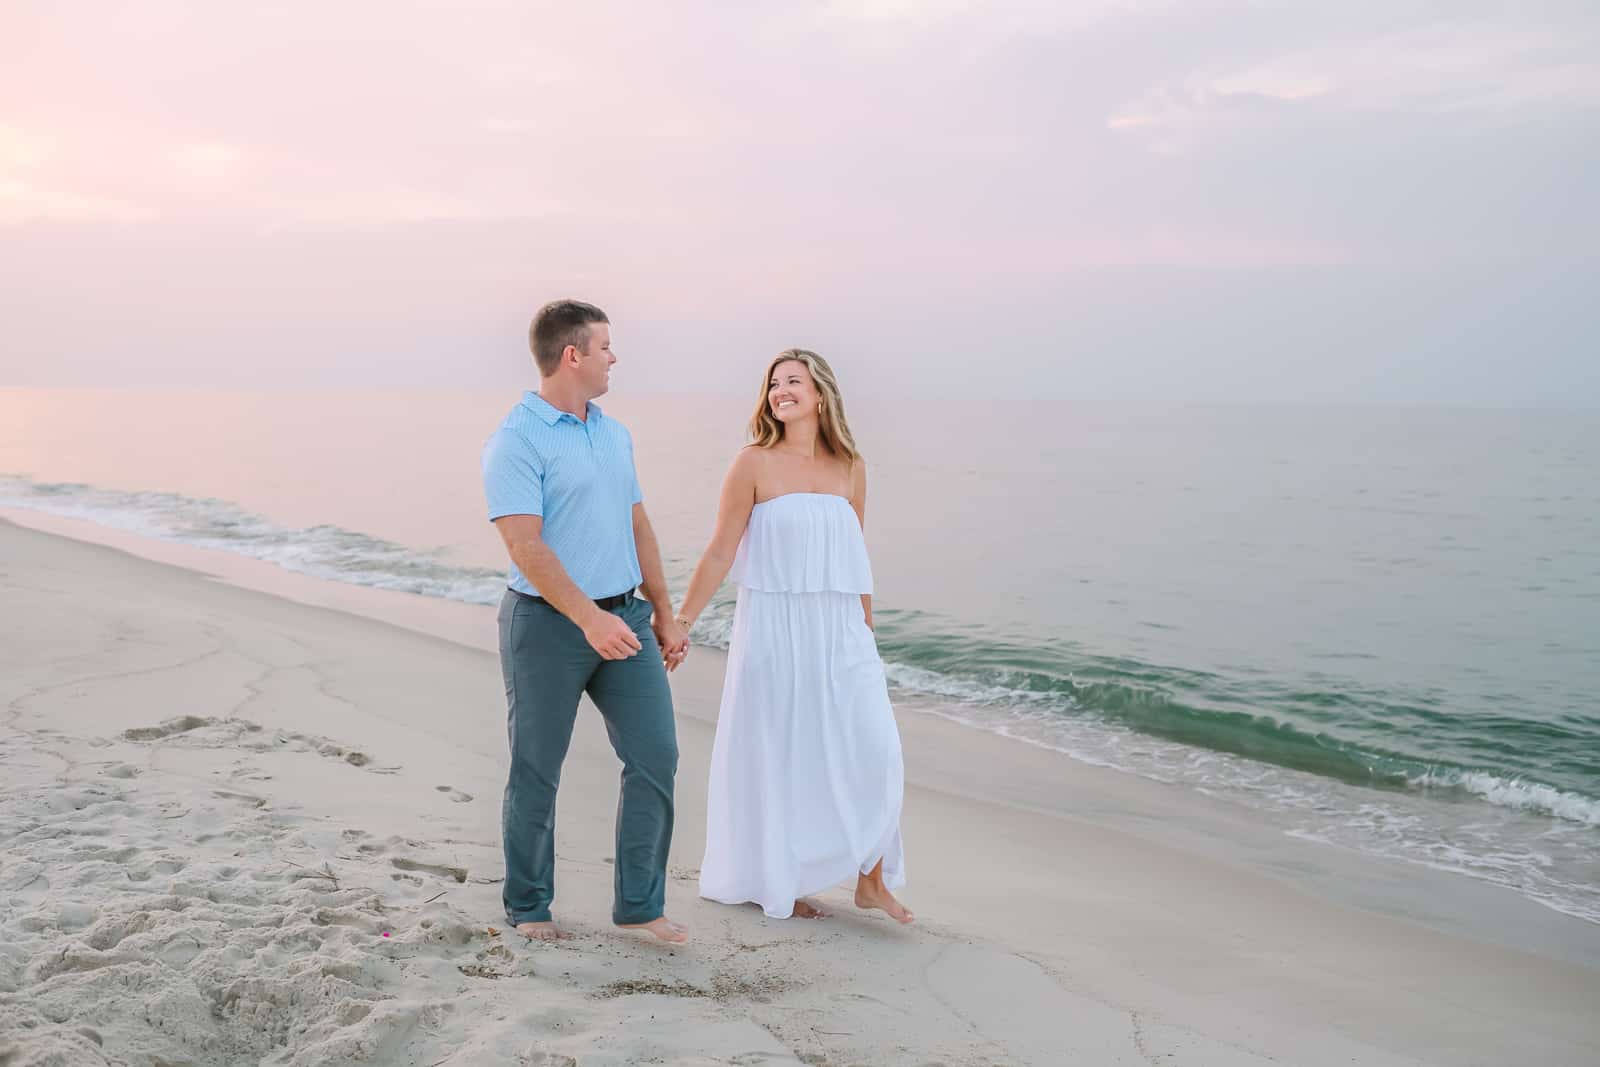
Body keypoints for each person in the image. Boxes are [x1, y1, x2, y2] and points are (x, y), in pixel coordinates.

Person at [675, 348, 913, 923]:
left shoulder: (851, 466)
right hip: (776, 632)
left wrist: (867, 635)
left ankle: (871, 878)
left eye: (793, 382)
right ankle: (778, 877)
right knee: (782, 754)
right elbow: (719, 551)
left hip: (841, 634)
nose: (781, 391)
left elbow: (856, 559)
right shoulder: (753, 463)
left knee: (874, 749)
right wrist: (683, 621)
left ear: (821, 394)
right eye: (774, 383)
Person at [481, 299, 690, 944]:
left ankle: (640, 906)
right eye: (605, 347)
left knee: (656, 757)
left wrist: (664, 611)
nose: (613, 358)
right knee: (538, 768)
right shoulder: (515, 439)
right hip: (546, 627)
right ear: (572, 355)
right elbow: (525, 546)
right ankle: (529, 905)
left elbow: (638, 525)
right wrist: (587, 621)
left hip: (625, 617)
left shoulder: (613, 431)